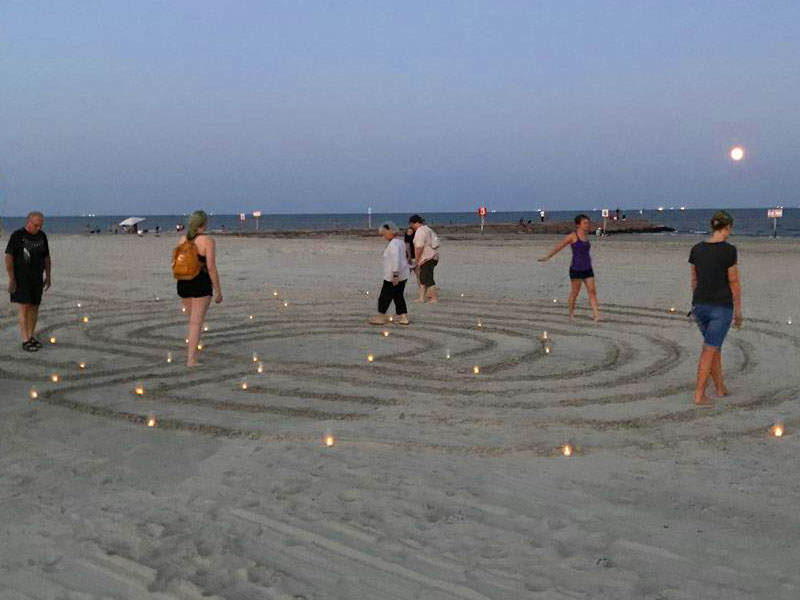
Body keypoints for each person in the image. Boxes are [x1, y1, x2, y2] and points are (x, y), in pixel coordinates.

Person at [689, 211, 742, 406]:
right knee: (709, 350)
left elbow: (694, 280)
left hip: (700, 306)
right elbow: (734, 281)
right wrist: (738, 310)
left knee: (714, 347)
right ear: (727, 228)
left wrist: (695, 302)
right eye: (730, 229)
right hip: (720, 307)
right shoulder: (729, 251)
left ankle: (720, 388)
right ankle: (699, 395)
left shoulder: (696, 249)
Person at [175, 211, 223, 367]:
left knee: (192, 321)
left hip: (183, 282)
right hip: (200, 283)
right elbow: (211, 267)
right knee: (196, 323)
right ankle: (191, 360)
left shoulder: (182, 239)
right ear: (203, 224)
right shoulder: (208, 240)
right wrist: (218, 291)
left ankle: (192, 353)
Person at [539, 214, 601, 321]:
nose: (587, 225)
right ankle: (571, 314)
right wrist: (548, 256)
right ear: (578, 224)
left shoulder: (586, 236)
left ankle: (597, 315)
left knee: (592, 291)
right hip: (576, 268)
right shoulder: (573, 236)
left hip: (588, 268)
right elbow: (560, 245)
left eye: (588, 223)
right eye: (585, 223)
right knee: (575, 292)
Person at [5, 212, 51, 351]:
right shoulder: (17, 236)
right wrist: (12, 279)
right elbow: (8, 258)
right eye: (36, 225)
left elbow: (46, 257)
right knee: (24, 307)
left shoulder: (42, 236)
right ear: (29, 222)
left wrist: (48, 275)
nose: (39, 228)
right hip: (21, 278)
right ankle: (25, 339)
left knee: (34, 307)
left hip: (37, 277)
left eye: (41, 225)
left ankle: (31, 336)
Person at [369, 222, 410, 325]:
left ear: (391, 231)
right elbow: (405, 257)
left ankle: (380, 317)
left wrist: (395, 275)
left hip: (393, 276)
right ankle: (404, 317)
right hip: (403, 274)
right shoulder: (400, 242)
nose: (384, 236)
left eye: (385, 233)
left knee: (384, 296)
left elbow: (396, 260)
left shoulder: (394, 244)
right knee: (398, 296)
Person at [409, 214, 439, 303]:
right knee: (422, 279)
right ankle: (422, 297)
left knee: (428, 278)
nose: (412, 227)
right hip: (433, 256)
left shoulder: (420, 231)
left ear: (415, 223)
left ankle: (434, 298)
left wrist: (417, 259)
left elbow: (419, 247)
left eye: (412, 224)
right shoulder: (428, 229)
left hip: (427, 257)